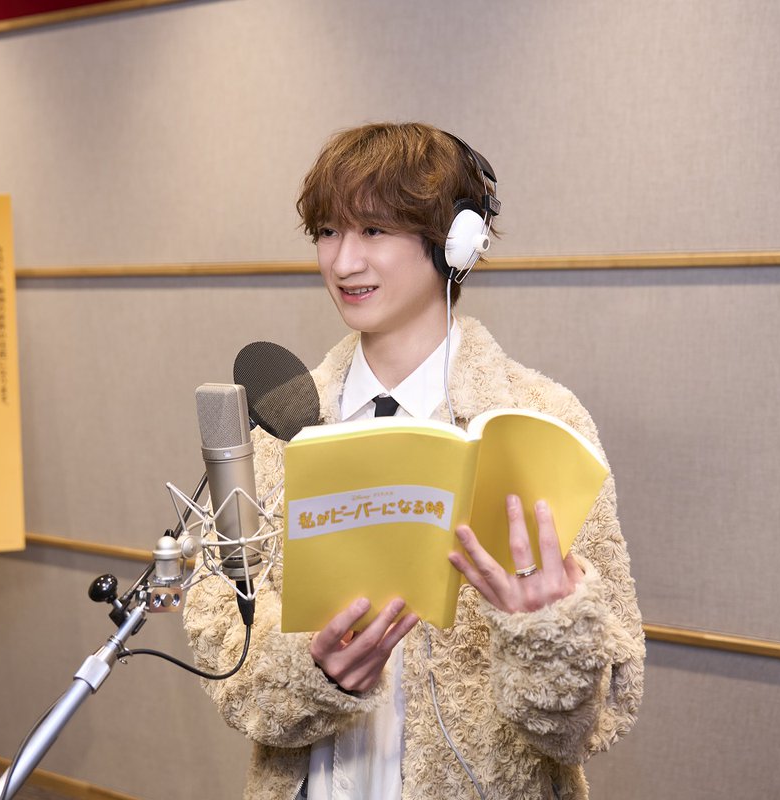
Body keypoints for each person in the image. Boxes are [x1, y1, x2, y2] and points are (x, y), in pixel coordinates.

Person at [183, 122, 644, 800]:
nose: (344, 262)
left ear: (455, 243)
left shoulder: (539, 420)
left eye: (373, 231)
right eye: (328, 232)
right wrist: (311, 671)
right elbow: (219, 625)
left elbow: (605, 708)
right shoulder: (279, 421)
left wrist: (549, 635)